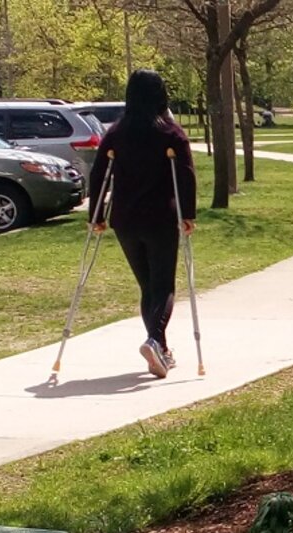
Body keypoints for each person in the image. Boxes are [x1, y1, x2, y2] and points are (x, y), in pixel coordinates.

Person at [89, 69, 196, 379]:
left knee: (147, 286)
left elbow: (98, 175)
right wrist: (188, 214)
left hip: (125, 220)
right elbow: (186, 175)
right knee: (163, 286)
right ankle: (154, 341)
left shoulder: (115, 133)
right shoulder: (171, 134)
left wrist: (95, 216)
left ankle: (160, 350)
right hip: (160, 218)